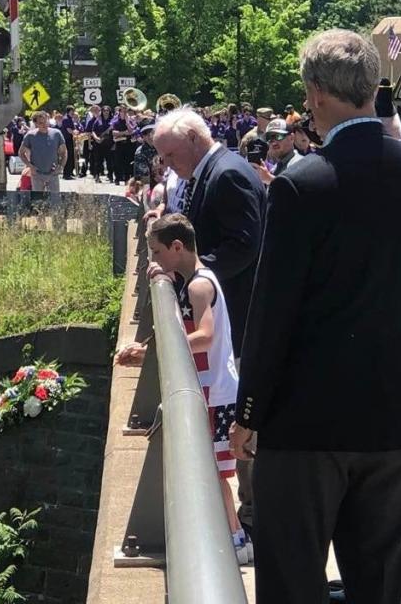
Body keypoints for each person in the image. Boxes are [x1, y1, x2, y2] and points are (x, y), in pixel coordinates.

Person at [230, 28, 401, 604]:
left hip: (307, 426)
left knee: (292, 585)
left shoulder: (302, 184)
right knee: (381, 588)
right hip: (394, 419)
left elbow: (272, 311)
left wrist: (249, 409)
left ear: (318, 94)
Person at [151, 107, 266, 535]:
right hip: (229, 312)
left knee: (244, 417)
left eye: (170, 154)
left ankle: (252, 518)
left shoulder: (229, 174)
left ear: (195, 140)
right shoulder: (212, 171)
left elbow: (245, 245)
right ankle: (247, 514)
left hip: (238, 315)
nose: (167, 164)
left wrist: (195, 273)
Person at [114, 213, 252, 563]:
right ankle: (235, 535)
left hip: (216, 393)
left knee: (216, 473)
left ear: (178, 247)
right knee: (213, 469)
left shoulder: (198, 285)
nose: (154, 260)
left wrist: (151, 350)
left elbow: (205, 336)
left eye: (157, 252)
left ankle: (237, 540)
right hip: (214, 389)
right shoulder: (199, 278)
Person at [18, 110, 67, 192]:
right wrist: (30, 166)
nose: (44, 124)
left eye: (46, 121)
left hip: (53, 173)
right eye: (41, 123)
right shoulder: (30, 135)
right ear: (36, 124)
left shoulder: (56, 134)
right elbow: (21, 153)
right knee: (38, 200)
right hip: (37, 173)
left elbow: (64, 152)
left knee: (54, 200)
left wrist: (61, 166)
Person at [254, 118, 304, 185]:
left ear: (291, 138)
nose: (273, 142)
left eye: (278, 136)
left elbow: (300, 192)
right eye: (269, 137)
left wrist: (270, 180)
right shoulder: (275, 168)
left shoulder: (300, 164)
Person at [59, 106, 79, 180]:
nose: (73, 112)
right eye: (72, 111)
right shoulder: (66, 119)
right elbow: (69, 130)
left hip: (71, 139)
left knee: (72, 157)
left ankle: (70, 172)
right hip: (67, 140)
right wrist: (75, 133)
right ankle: (66, 174)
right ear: (69, 111)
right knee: (68, 156)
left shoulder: (70, 118)